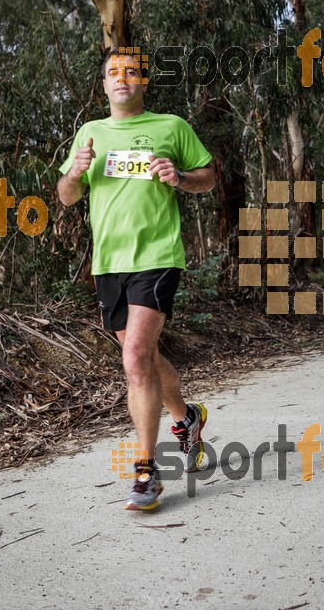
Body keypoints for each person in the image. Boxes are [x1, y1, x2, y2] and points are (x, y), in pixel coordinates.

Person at [57, 50, 216, 510]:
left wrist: (180, 176)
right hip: (109, 264)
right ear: (104, 84)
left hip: (158, 255)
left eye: (130, 72)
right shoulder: (90, 134)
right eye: (112, 73)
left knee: (133, 359)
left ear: (143, 81)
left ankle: (147, 473)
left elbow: (207, 178)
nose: (122, 78)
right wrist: (75, 171)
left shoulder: (171, 126)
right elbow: (66, 197)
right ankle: (187, 418)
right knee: (143, 358)